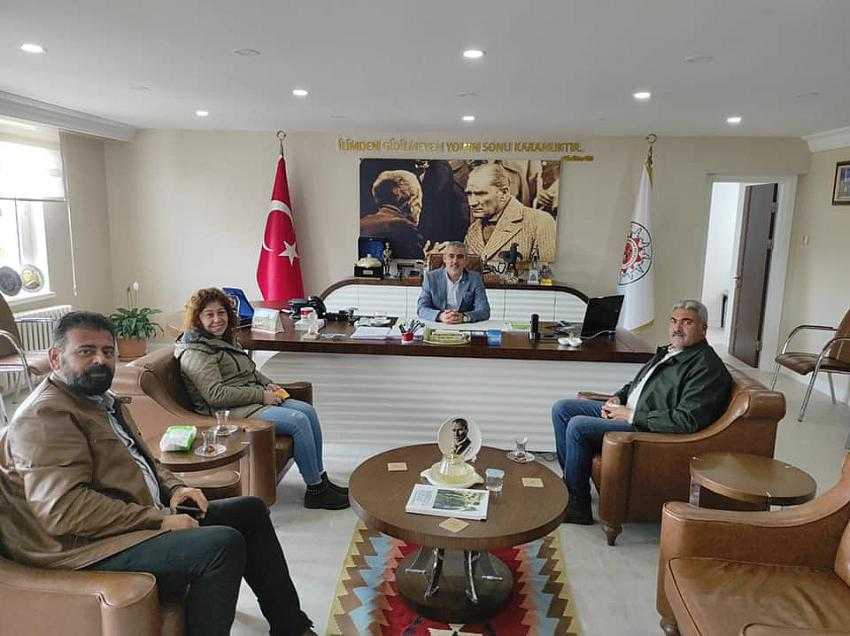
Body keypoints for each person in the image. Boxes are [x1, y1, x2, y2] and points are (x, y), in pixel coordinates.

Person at [0, 311, 314, 636]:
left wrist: (175, 489)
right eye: (85, 351)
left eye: (107, 351)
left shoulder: (99, 400)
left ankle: (291, 626)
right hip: (82, 548)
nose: (100, 360)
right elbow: (64, 512)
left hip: (123, 521)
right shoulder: (46, 417)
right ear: (55, 358)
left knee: (249, 510)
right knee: (222, 545)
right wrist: (159, 520)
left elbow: (142, 458)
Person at [551, 300, 733, 525]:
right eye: (674, 321)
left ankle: (578, 507)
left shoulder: (705, 366)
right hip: (631, 411)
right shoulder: (671, 351)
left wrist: (630, 415)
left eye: (687, 322)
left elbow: (686, 420)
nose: (677, 328)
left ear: (703, 328)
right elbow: (638, 384)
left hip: (647, 426)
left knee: (578, 426)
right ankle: (572, 487)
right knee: (562, 409)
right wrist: (618, 397)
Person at [176, 287, 348, 510]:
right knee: (298, 421)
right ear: (197, 319)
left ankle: (321, 479)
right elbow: (215, 395)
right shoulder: (196, 351)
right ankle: (316, 491)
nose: (217, 319)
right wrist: (261, 395)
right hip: (225, 412)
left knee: (307, 411)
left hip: (247, 400)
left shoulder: (221, 340)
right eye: (209, 315)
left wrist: (268, 384)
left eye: (221, 313)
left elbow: (249, 371)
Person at [464, 163, 557, 264]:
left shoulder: (540, 222)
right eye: (469, 194)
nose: (472, 202)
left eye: (480, 194)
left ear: (504, 193)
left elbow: (548, 271)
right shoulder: (473, 230)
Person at [416, 241, 490, 323]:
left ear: (466, 260)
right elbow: (421, 309)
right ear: (444, 258)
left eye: (460, 257)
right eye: (451, 256)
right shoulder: (431, 277)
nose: (455, 261)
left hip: (465, 325)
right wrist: (440, 316)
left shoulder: (475, 279)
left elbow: (484, 310)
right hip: (439, 324)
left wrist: (464, 317)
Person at [360, 169, 426, 259]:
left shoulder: (361, 223)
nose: (419, 207)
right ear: (399, 194)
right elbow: (414, 264)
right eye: (417, 198)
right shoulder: (403, 226)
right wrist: (428, 257)